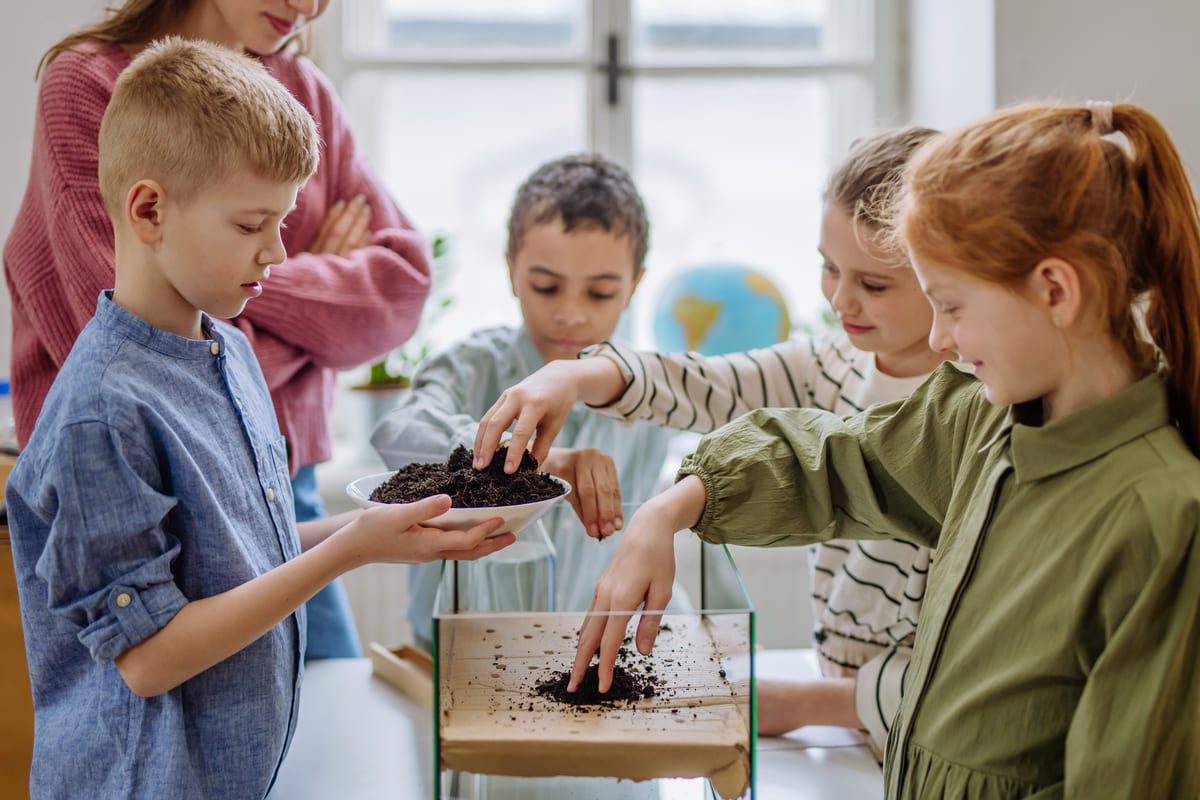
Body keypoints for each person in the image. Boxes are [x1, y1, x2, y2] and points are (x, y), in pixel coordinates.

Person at [539, 101, 1200, 797]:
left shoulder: (1162, 521)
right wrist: (667, 510)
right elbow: (833, 460)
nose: (941, 341)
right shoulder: (984, 421)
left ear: (1055, 291)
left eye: (952, 304)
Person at [5, 40, 513, 799]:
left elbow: (240, 555)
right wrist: (345, 556)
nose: (279, 253)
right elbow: (149, 658)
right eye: (251, 226)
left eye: (283, 222)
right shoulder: (100, 415)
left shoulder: (229, 351)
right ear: (148, 210)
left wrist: (380, 532)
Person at [471, 128, 945, 752]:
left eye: (873, 284)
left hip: (920, 725)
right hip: (854, 718)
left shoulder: (972, 406)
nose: (839, 298)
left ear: (948, 273)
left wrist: (808, 703)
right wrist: (575, 372)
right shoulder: (830, 364)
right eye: (829, 268)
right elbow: (701, 384)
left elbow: (977, 679)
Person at [4, 0, 428, 658]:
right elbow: (137, 341)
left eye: (285, 224)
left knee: (309, 724)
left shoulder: (303, 91)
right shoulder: (93, 86)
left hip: (280, 480)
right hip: (147, 483)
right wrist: (323, 291)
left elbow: (401, 288)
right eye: (249, 225)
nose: (309, 6)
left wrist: (229, 308)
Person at [371, 154, 673, 649]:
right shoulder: (472, 366)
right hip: (451, 660)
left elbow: (638, 554)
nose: (570, 314)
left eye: (599, 293)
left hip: (574, 660)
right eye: (546, 286)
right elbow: (399, 430)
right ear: (512, 272)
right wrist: (536, 461)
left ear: (633, 286)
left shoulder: (647, 402)